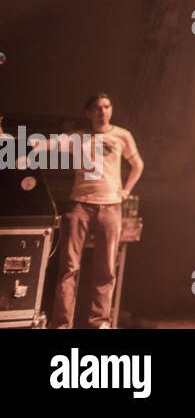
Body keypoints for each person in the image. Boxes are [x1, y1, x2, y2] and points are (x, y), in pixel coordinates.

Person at [44, 93, 143, 329]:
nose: (103, 111)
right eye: (97, 108)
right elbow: (45, 144)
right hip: (80, 205)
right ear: (88, 113)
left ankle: (99, 323)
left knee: (107, 268)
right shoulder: (79, 137)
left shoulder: (122, 135)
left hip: (110, 207)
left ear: (111, 109)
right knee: (69, 268)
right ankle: (62, 325)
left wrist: (126, 191)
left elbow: (137, 164)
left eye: (107, 106)